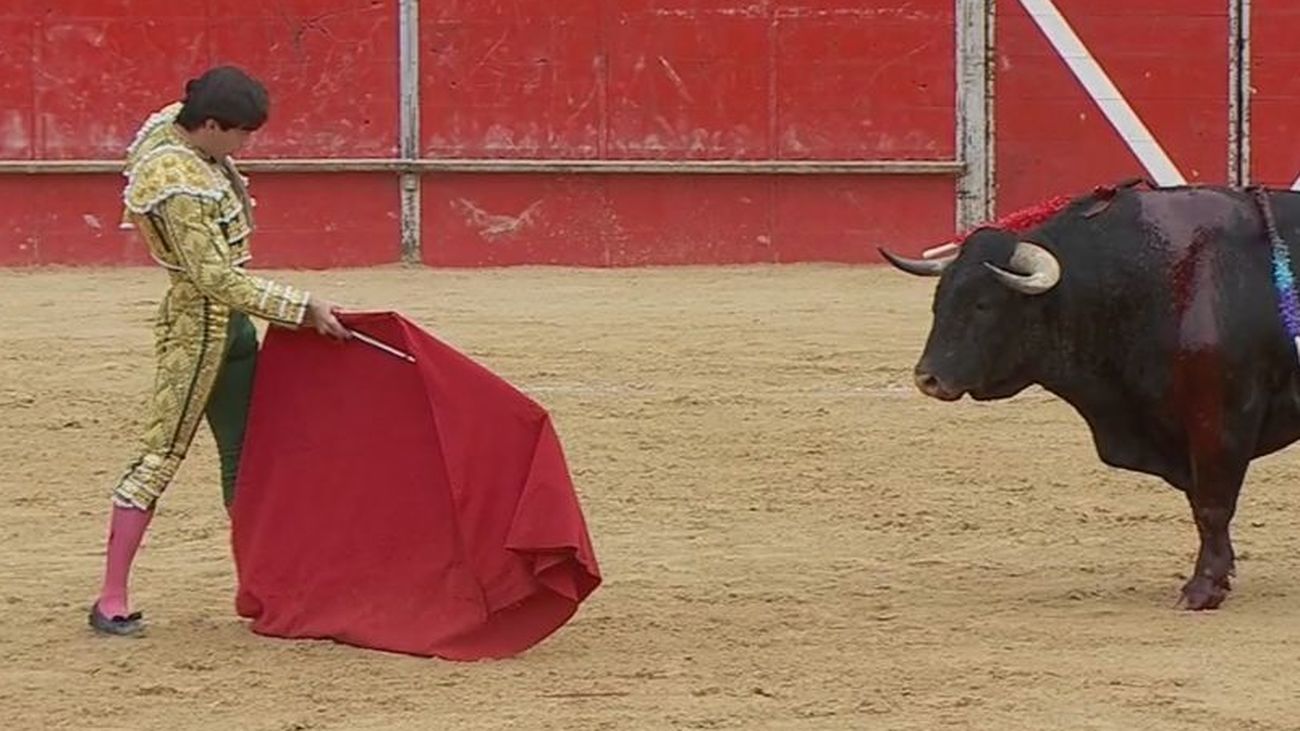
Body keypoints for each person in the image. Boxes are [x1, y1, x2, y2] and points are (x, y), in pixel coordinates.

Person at [90, 65, 350, 636]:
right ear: (209, 125)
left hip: (232, 330)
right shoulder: (174, 180)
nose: (244, 145)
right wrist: (301, 307)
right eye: (239, 134)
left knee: (248, 456)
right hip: (195, 333)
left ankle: (265, 583)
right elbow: (213, 279)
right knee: (160, 456)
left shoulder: (174, 128)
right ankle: (110, 597)